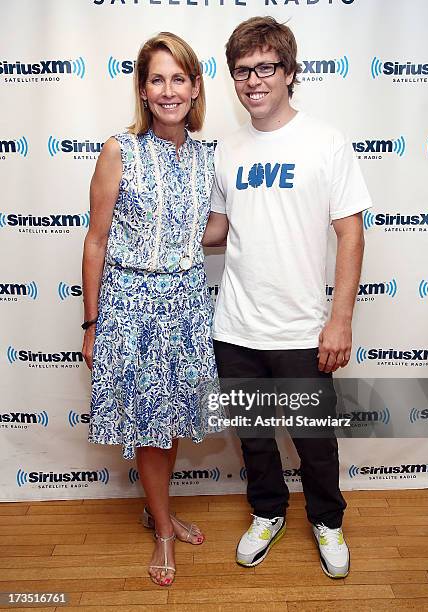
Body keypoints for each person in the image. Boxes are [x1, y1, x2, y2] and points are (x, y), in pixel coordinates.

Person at [202, 16, 372, 578]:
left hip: (301, 328)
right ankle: (268, 512)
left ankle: (328, 520)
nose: (254, 80)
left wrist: (339, 320)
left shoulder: (326, 142)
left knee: (316, 443)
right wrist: (146, 227)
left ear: (290, 72)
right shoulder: (226, 150)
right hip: (235, 326)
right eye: (242, 70)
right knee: (254, 439)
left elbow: (350, 231)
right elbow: (219, 231)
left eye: (266, 67)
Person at [82, 32, 222, 587]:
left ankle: (155, 509)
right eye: (157, 79)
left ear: (194, 88)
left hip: (187, 304)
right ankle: (163, 529)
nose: (169, 90)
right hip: (132, 306)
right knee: (150, 429)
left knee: (173, 421)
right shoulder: (120, 149)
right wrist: (92, 325)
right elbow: (96, 241)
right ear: (143, 89)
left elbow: (206, 228)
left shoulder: (208, 157)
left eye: (179, 78)